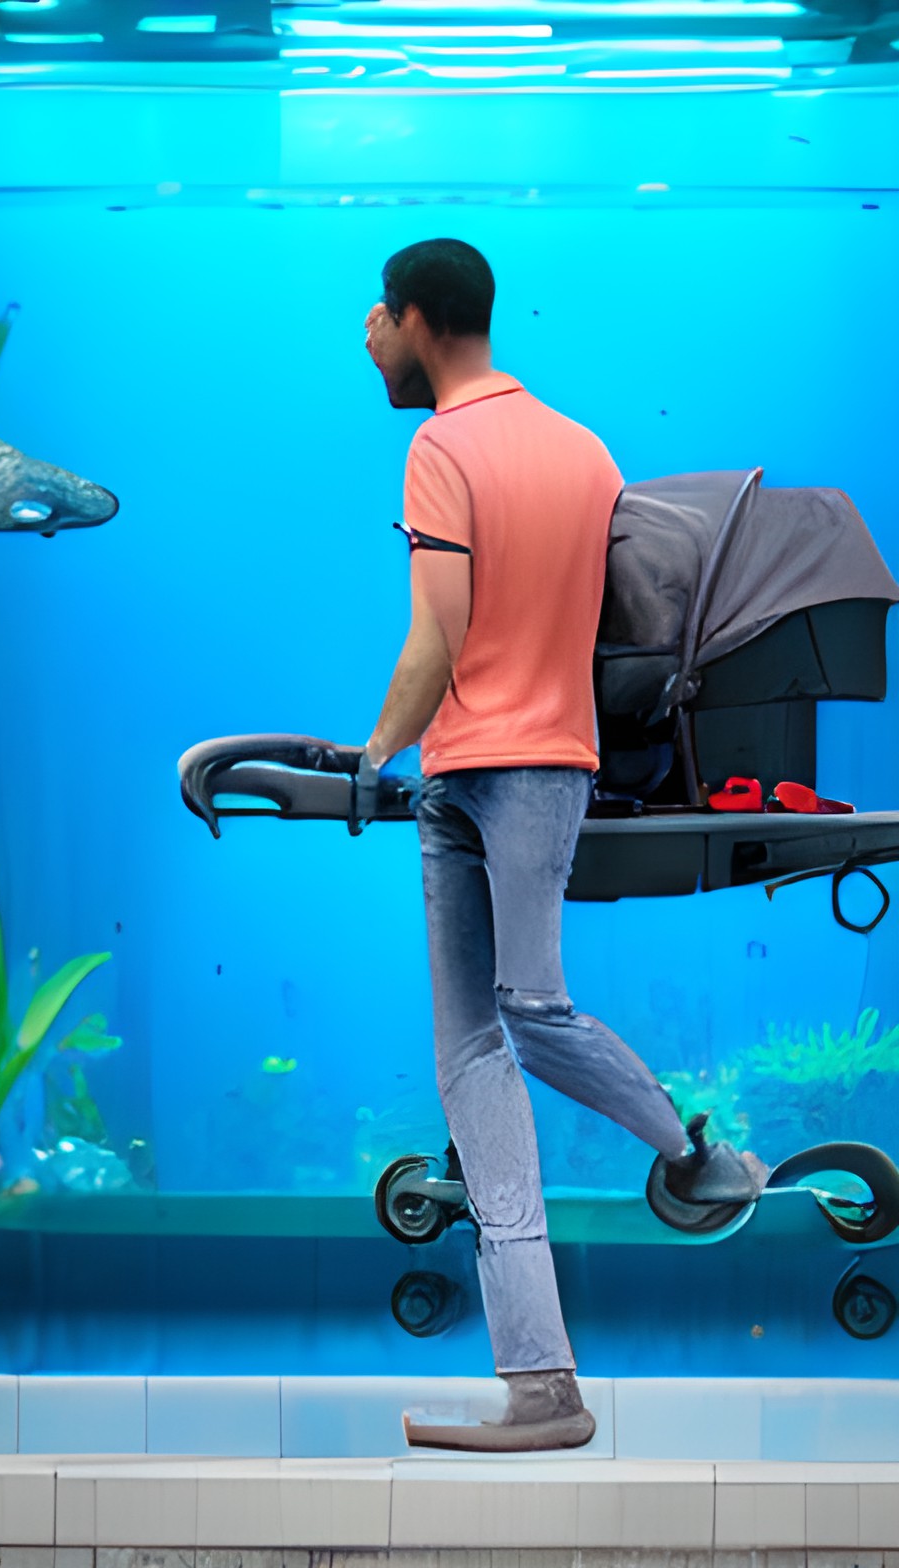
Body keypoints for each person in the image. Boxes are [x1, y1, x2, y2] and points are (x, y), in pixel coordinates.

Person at [360, 238, 765, 1454]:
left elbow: (439, 636)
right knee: (491, 1036)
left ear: (420, 320)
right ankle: (542, 1381)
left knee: (514, 1019)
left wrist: (371, 753)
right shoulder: (586, 449)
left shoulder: (442, 446)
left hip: (486, 767)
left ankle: (694, 1149)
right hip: (532, 767)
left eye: (376, 320)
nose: (368, 340)